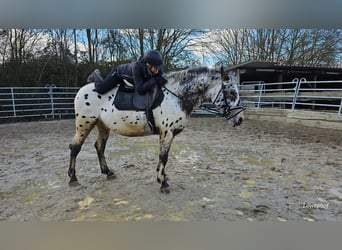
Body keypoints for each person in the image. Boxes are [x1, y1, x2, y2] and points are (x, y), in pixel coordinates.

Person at [87, 49, 167, 133]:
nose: (158, 70)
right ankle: (95, 74)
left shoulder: (156, 67)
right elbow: (140, 89)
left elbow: (161, 77)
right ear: (148, 65)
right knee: (101, 89)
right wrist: (155, 80)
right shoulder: (137, 67)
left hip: (133, 79)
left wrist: (160, 79)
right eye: (156, 68)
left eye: (159, 68)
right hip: (118, 75)